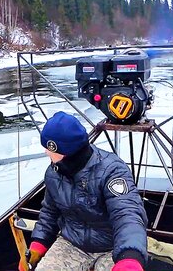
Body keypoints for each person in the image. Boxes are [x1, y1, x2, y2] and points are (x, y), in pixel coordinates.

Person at [19, 111, 148, 271]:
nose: (45, 152)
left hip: (112, 247)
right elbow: (50, 213)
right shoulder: (53, 173)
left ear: (63, 151)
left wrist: (130, 257)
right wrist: (38, 244)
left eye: (48, 148)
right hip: (73, 243)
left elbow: (127, 215)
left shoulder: (112, 171)